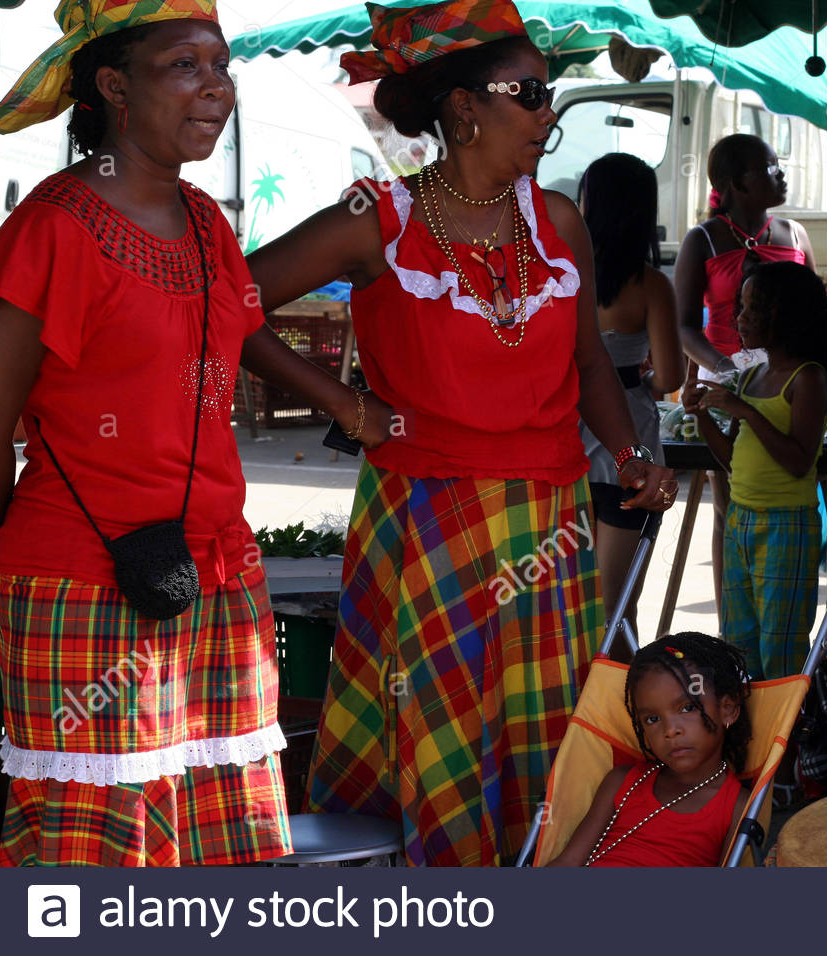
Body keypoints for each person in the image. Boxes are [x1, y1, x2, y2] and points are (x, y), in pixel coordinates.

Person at [245, 0, 677, 867]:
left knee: (536, 733)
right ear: (464, 107)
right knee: (440, 732)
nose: (547, 112)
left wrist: (629, 455)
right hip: (427, 523)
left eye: (550, 93)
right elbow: (230, 301)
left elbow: (591, 362)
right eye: (528, 93)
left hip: (549, 523)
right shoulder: (380, 219)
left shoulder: (556, 221)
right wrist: (343, 404)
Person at [0, 2, 386, 866]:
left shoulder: (207, 224)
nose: (216, 88)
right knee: (97, 850)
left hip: (216, 575)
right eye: (186, 67)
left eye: (222, 65)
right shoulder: (50, 230)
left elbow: (239, 328)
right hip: (80, 584)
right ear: (114, 87)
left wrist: (348, 406)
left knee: (221, 841)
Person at [674, 133, 816, 610]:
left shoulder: (794, 235)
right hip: (728, 377)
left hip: (790, 381)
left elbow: (815, 311)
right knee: (731, 499)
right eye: (770, 169)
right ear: (736, 182)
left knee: (785, 487)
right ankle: (732, 615)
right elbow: (684, 326)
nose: (781, 175)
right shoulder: (704, 239)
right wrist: (723, 371)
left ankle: (777, 604)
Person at [683, 261, 827, 682]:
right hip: (741, 518)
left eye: (752, 309)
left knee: (779, 646)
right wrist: (702, 415)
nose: (739, 319)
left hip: (786, 524)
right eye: (741, 307)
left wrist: (744, 410)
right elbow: (731, 458)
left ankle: (784, 740)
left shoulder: (808, 378)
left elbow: (800, 460)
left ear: (784, 316)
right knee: (739, 641)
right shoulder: (750, 377)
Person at [577, 153, 684, 658]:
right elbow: (669, 377)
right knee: (617, 610)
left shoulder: (561, 277)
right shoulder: (651, 285)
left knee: (569, 608)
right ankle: (619, 724)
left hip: (567, 444)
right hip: (632, 453)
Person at [548, 632, 749, 866]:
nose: (670, 730)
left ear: (728, 708)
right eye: (653, 719)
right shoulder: (622, 782)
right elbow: (568, 863)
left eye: (687, 708)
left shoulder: (736, 806)